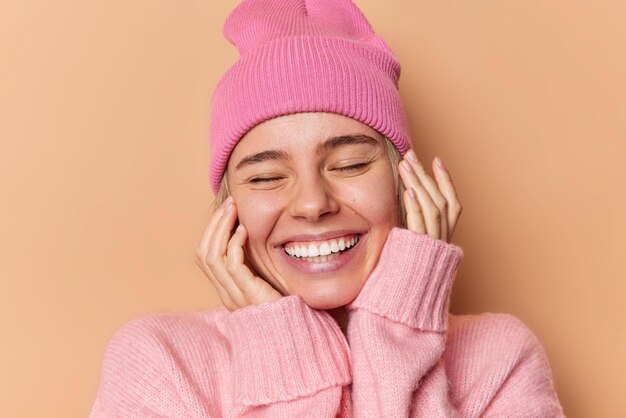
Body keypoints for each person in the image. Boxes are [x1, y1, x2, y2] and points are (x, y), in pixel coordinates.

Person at [89, 0, 565, 416]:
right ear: (228, 208)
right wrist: (282, 350)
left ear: (406, 182)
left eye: (350, 164)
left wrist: (398, 331)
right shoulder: (160, 361)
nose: (314, 204)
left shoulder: (501, 358)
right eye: (267, 177)